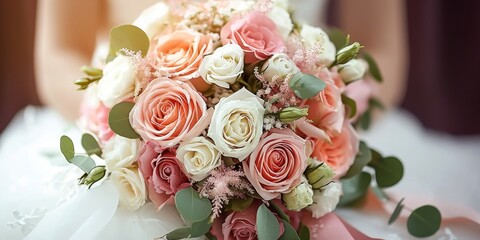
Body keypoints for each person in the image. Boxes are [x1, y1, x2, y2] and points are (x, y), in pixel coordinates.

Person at [5, 0, 445, 239]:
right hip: (120, 136)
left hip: (307, 149)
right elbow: (59, 54)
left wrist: (299, 125)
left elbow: (382, 55)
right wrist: (143, 127)